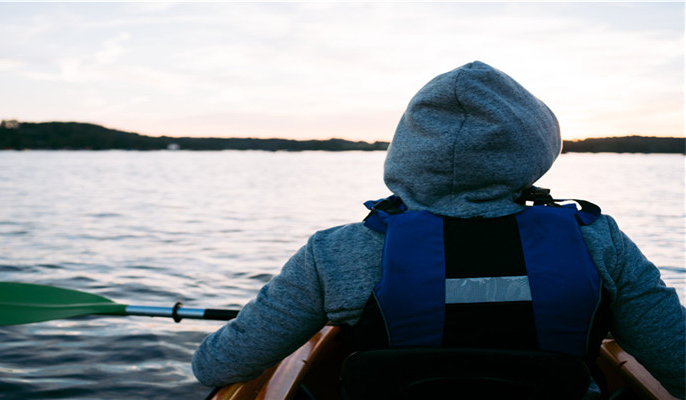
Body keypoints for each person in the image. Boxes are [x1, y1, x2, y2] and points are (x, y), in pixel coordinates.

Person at [191, 61, 686, 398]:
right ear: (537, 147)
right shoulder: (599, 241)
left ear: (407, 146)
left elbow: (217, 367)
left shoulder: (336, 252)